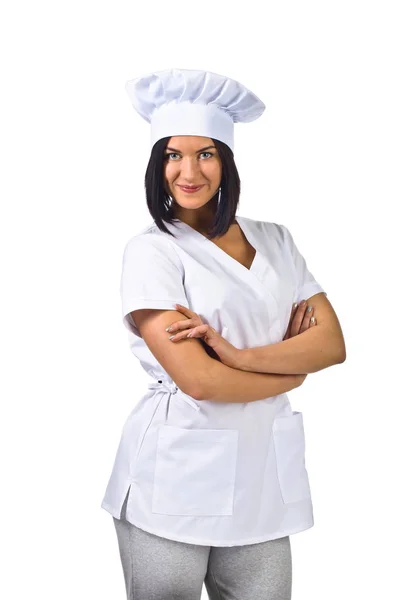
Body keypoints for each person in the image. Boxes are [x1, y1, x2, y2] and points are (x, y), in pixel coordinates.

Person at [100, 68, 346, 600]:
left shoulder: (276, 240)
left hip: (260, 475)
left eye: (205, 154)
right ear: (156, 164)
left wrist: (234, 353)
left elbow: (332, 345)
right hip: (177, 472)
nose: (188, 171)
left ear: (227, 161)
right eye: (172, 155)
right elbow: (199, 381)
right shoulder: (152, 252)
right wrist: (291, 371)